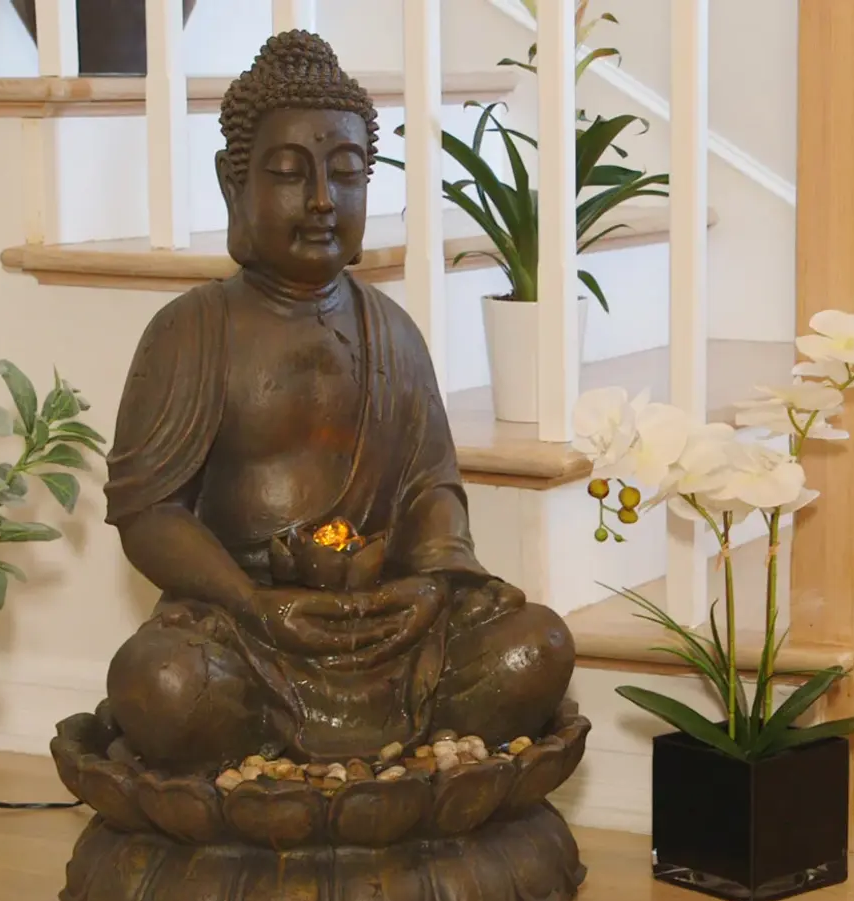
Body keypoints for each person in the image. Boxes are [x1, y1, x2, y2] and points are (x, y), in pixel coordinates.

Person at [102, 31, 575, 772]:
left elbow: (431, 489)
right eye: (290, 174)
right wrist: (251, 602)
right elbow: (149, 513)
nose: (323, 200)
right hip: (248, 626)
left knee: (535, 646)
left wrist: (429, 586)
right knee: (162, 682)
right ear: (233, 184)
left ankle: (313, 773)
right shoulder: (191, 331)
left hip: (386, 621)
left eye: (348, 173)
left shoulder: (392, 332)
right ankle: (362, 771)